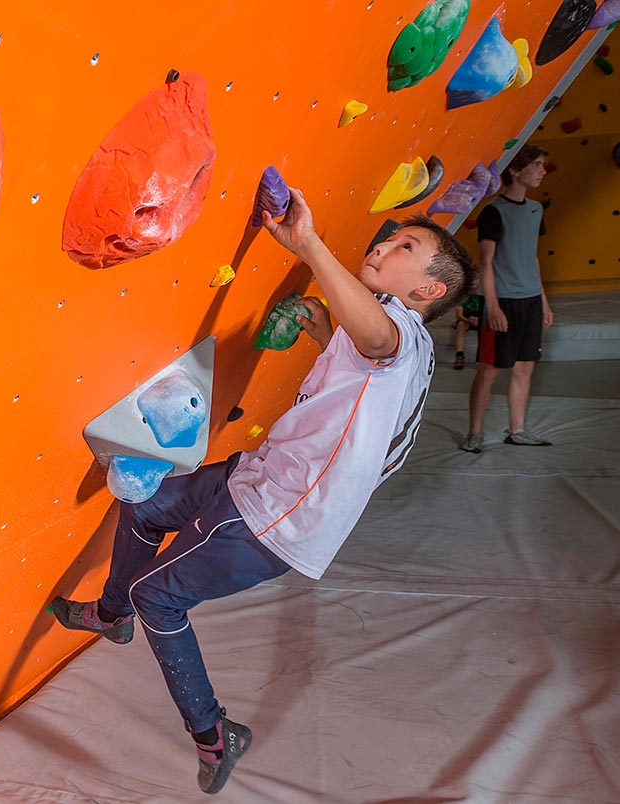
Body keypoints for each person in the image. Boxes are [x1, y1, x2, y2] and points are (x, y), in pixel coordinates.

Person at [51, 188, 477, 795]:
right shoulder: (401, 343)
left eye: (406, 246)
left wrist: (306, 243)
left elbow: (380, 344)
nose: (384, 244)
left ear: (429, 291)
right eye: (390, 236)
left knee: (160, 599)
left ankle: (214, 733)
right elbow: (367, 374)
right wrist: (323, 328)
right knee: (143, 505)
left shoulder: (402, 331)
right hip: (259, 474)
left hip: (273, 517)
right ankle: (111, 615)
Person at [460, 144, 554, 453]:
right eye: (537, 165)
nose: (542, 170)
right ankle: (474, 432)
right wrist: (493, 305)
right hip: (503, 301)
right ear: (515, 170)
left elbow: (532, 257)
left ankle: (518, 429)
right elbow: (486, 262)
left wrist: (543, 301)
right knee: (490, 370)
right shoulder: (493, 211)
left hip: (529, 299)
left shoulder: (535, 209)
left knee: (525, 367)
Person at [453, 292, 481, 369]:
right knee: (461, 325)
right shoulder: (463, 297)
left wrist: (479, 321)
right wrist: (469, 320)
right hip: (467, 320)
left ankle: (481, 358)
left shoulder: (483, 297)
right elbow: (459, 315)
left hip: (480, 321)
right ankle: (459, 355)